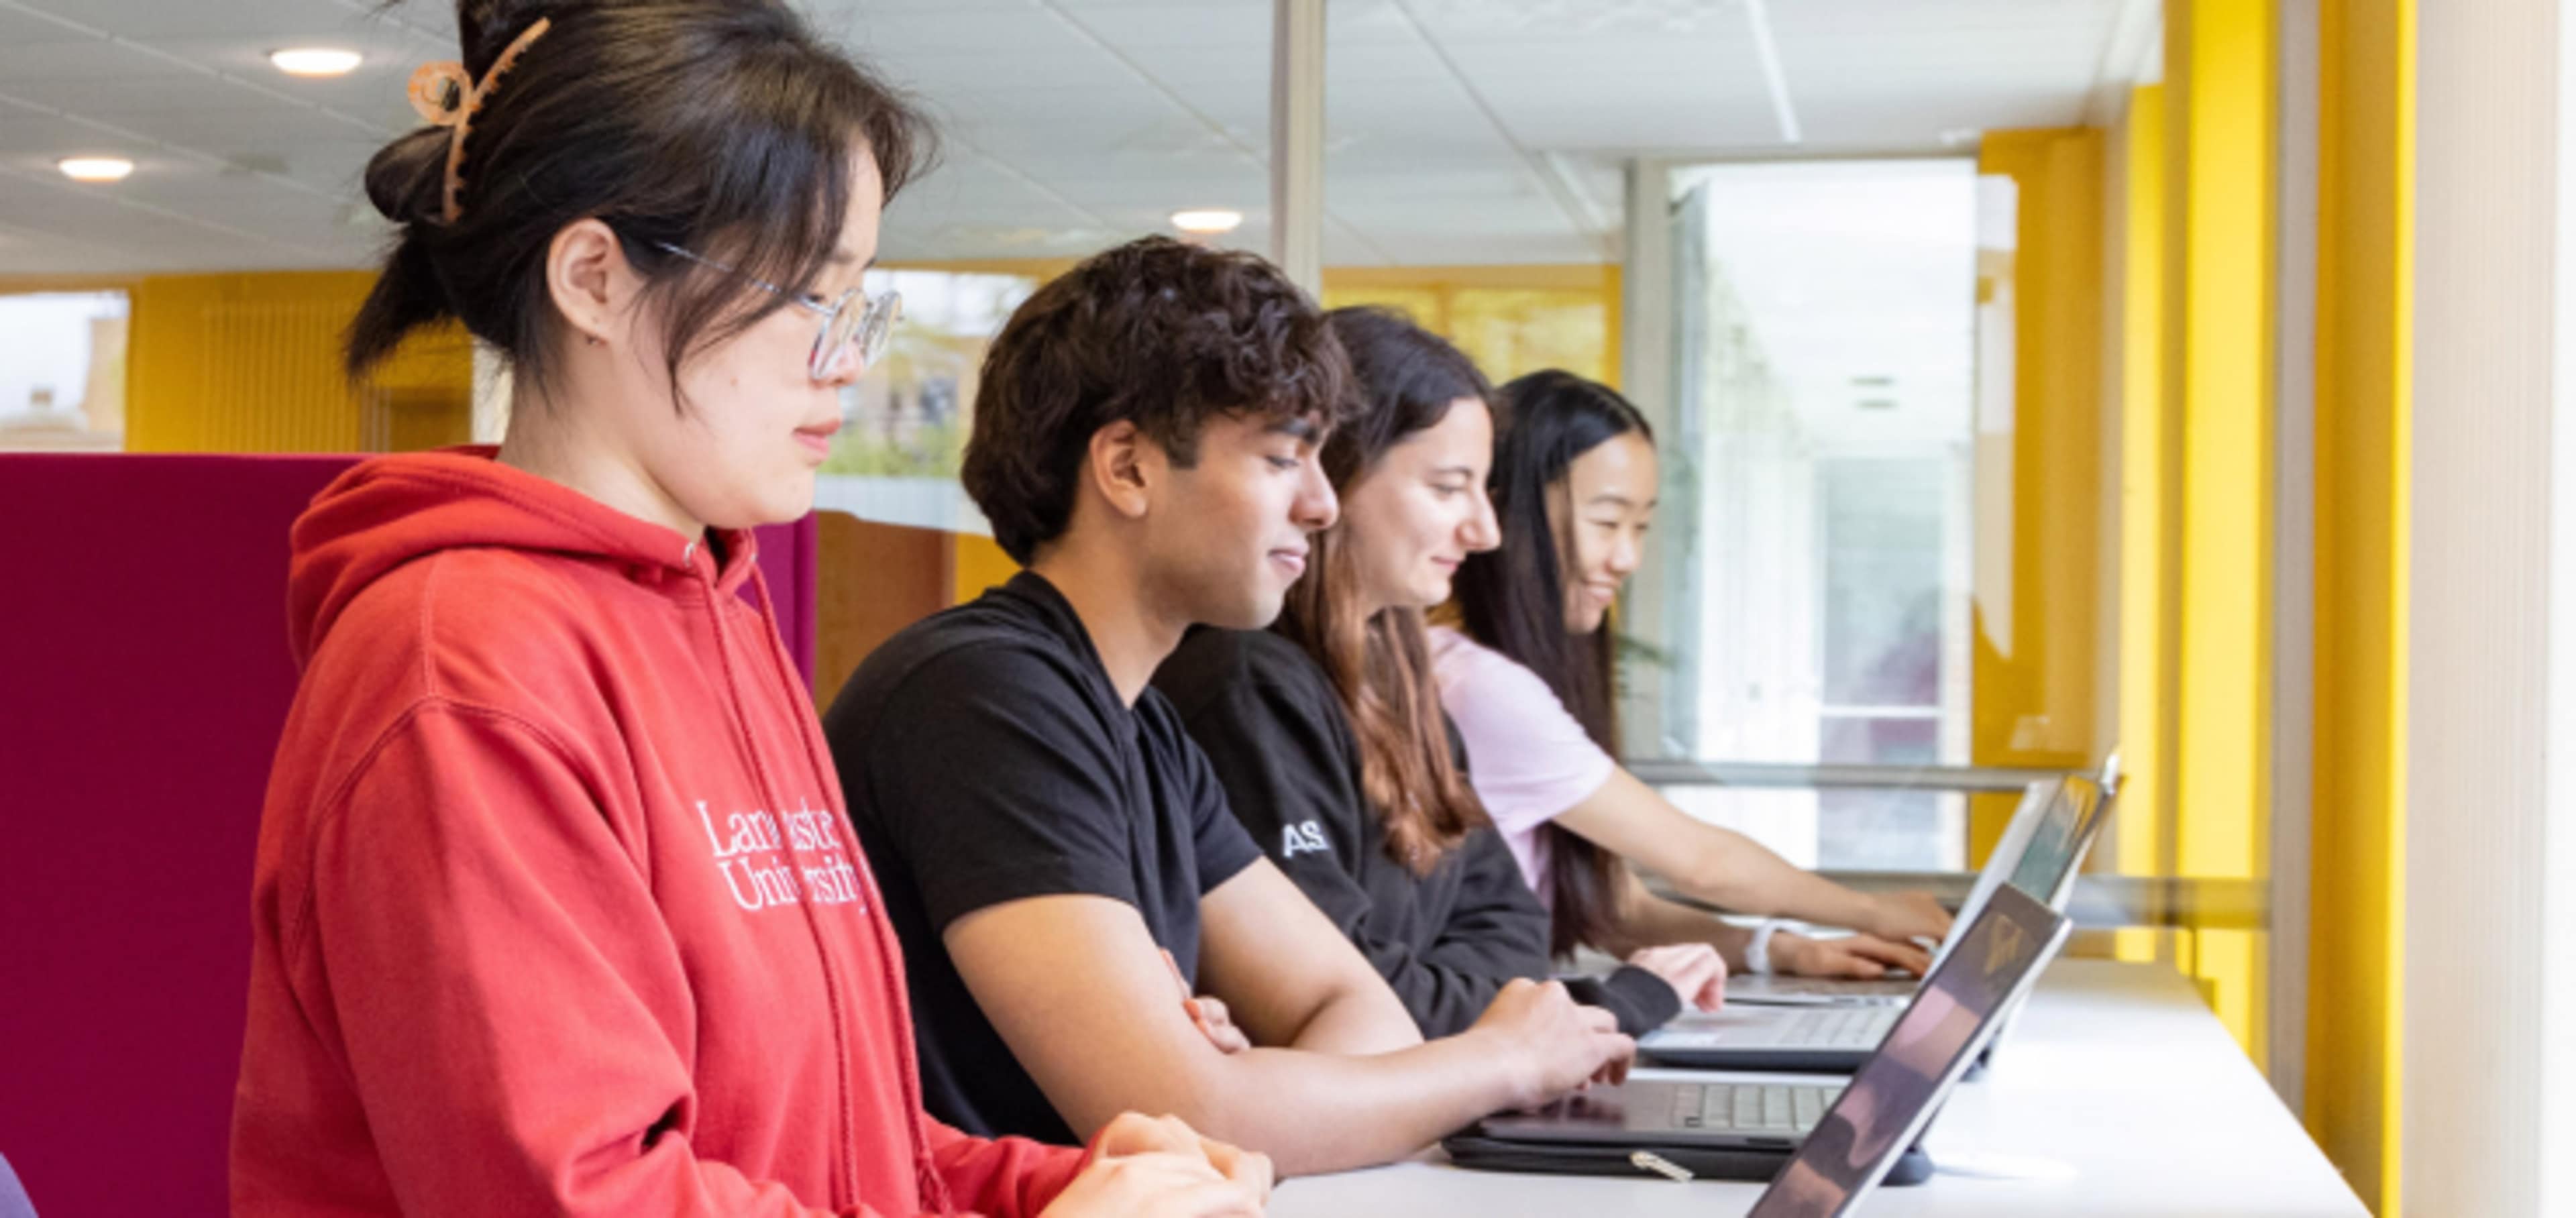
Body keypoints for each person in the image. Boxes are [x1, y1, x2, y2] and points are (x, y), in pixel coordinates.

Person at [231, 4, 1264, 1215]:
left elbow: (847, 1149)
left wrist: (1073, 1182)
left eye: (859, 299)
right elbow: (581, 1195)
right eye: (808, 295)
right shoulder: (461, 666)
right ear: (596, 279)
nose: (847, 357)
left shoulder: (717, 607)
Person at [824, 238, 1633, 1178]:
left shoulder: (1140, 724)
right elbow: (1194, 1110)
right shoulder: (984, 697)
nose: (1324, 507)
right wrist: (1502, 1060)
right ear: (1126, 468)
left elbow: (1354, 1003)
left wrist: (1270, 1097)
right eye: (1285, 460)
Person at [1152, 308, 1725, 1040]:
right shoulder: (1245, 686)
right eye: (1450, 488)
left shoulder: (1404, 685)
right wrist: (1605, 1006)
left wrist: (1478, 1001)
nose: (1483, 530)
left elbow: (1513, 927)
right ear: (1338, 479)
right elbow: (1346, 992)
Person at [1439, 370, 1954, 975]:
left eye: (1642, 527)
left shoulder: (1487, 669)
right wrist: (1872, 910)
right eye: (1606, 522)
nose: (1627, 557)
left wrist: (1779, 949)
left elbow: (1614, 907)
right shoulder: (1476, 684)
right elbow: (1702, 863)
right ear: (1509, 513)